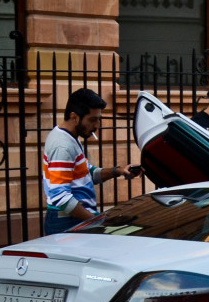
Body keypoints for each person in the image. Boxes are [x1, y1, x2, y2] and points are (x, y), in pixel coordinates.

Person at [42, 88, 140, 235]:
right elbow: (60, 197)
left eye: (98, 119)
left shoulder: (70, 138)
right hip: (66, 221)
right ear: (74, 117)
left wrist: (118, 171)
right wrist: (97, 221)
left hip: (74, 219)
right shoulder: (63, 145)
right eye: (92, 120)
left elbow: (88, 173)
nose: (96, 126)